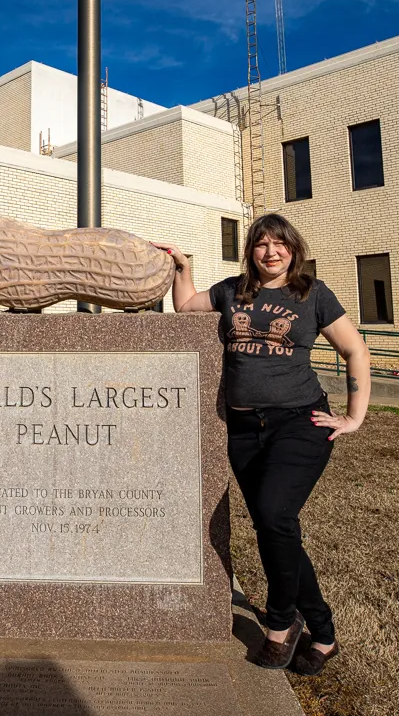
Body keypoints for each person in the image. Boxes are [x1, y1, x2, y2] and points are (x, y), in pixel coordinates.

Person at [154, 213, 371, 675]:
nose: (271, 252)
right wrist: (182, 269)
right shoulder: (232, 291)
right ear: (250, 250)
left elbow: (355, 349)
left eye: (280, 243)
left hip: (299, 421)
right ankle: (324, 632)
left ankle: (279, 624)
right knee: (276, 528)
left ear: (293, 248)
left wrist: (354, 416)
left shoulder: (312, 293)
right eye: (261, 244)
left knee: (274, 515)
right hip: (243, 430)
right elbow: (186, 306)